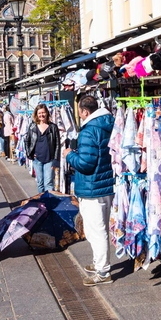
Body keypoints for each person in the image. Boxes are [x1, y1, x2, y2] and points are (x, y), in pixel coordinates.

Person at [63, 95, 115, 287]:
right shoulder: (108, 123)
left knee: (96, 230)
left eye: (80, 113)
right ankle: (99, 263)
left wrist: (69, 155)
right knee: (100, 228)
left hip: (92, 186)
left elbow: (85, 164)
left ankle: (103, 272)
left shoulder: (88, 131)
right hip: (106, 184)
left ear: (85, 112)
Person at [24, 104, 61, 193]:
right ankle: (41, 203)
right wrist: (29, 154)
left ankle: (48, 204)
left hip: (49, 159)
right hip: (37, 159)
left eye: (43, 112)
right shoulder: (32, 126)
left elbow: (57, 144)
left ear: (47, 113)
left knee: (48, 183)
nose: (41, 115)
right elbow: (27, 141)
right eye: (39, 113)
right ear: (36, 114)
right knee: (40, 183)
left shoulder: (53, 127)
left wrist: (56, 159)